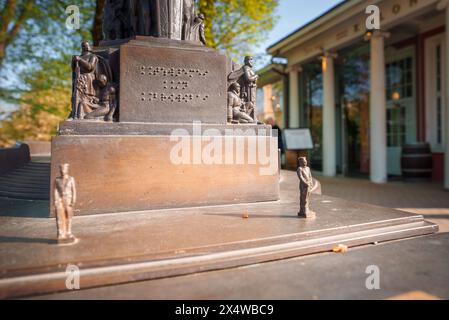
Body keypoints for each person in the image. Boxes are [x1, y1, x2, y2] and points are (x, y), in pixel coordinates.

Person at [71, 41, 99, 120]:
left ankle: (86, 113)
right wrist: (73, 61)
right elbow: (73, 69)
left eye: (86, 45)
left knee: (86, 97)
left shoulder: (93, 56)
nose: (85, 47)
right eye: (83, 46)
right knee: (76, 96)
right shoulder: (79, 57)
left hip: (87, 79)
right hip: (79, 78)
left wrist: (80, 60)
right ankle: (75, 113)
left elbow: (90, 67)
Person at [54, 163, 77, 243]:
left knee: (69, 217)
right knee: (60, 217)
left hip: (68, 200)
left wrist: (73, 200)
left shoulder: (71, 179)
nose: (62, 171)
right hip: (60, 200)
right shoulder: (57, 180)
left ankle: (69, 232)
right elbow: (56, 190)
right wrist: (56, 200)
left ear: (67, 170)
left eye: (64, 169)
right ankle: (61, 233)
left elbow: (74, 190)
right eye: (61, 169)